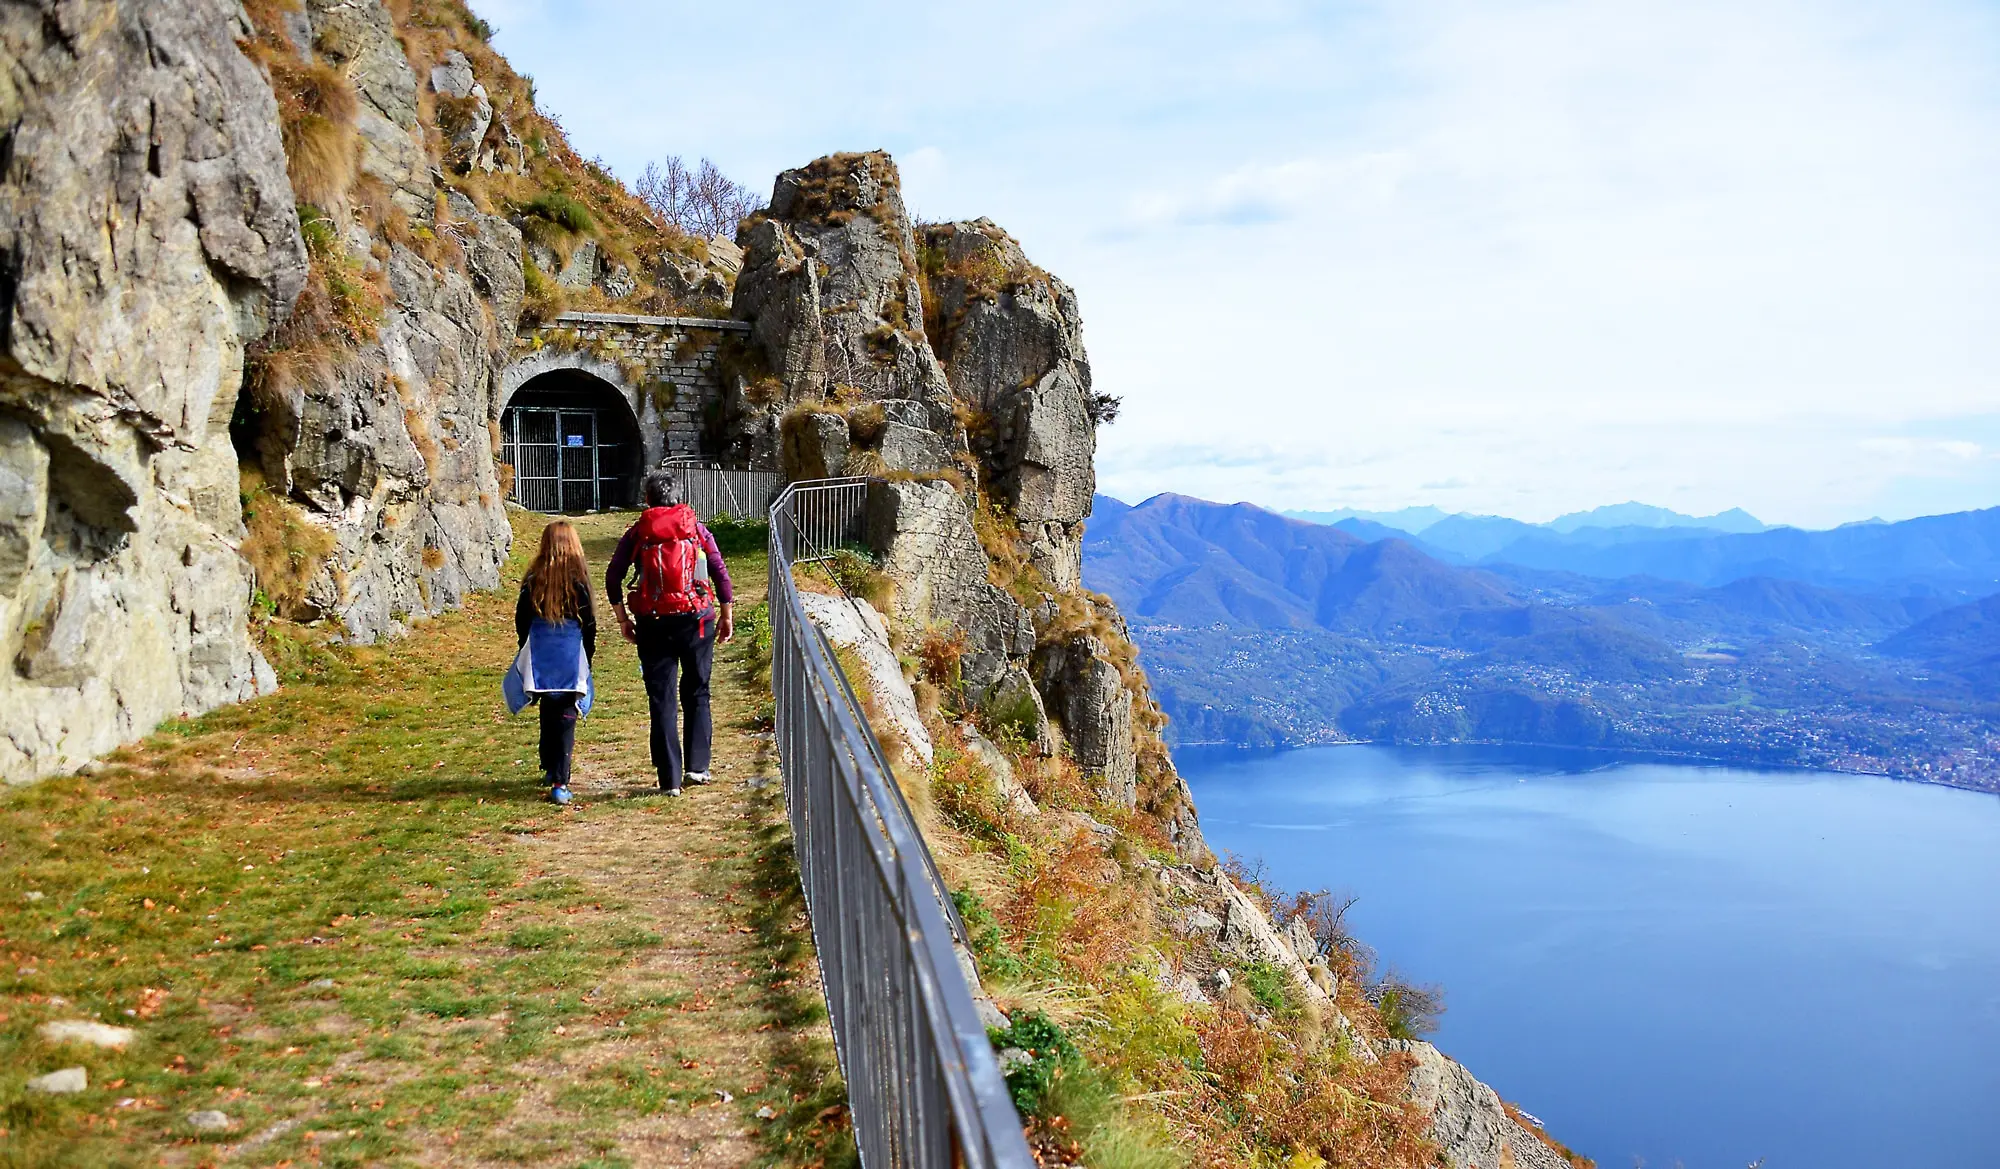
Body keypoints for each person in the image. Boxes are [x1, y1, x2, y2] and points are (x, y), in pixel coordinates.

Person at [606, 468, 734, 796]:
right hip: (697, 620)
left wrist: (623, 619)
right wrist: (726, 613)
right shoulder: (696, 529)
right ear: (679, 497)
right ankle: (698, 767)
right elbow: (719, 569)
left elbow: (613, 576)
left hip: (652, 623)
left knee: (661, 698)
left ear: (647, 499)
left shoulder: (638, 533)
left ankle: (670, 780)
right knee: (697, 691)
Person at [509, 520, 597, 805]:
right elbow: (589, 624)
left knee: (547, 707)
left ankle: (548, 765)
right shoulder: (578, 581)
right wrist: (588, 656)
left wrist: (526, 647)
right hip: (569, 654)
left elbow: (521, 618)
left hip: (541, 653)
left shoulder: (534, 579)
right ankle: (560, 779)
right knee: (566, 714)